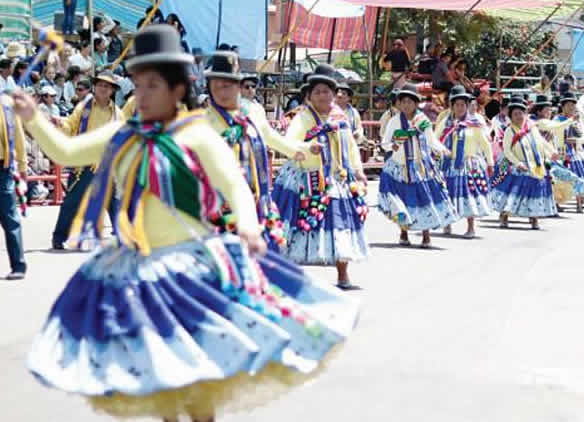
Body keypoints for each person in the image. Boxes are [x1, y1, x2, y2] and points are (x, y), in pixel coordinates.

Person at [18, 24, 357, 422]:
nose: (140, 95)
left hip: (191, 266)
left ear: (178, 89)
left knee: (197, 382)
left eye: (152, 86)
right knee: (163, 372)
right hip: (138, 270)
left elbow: (234, 184)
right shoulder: (123, 134)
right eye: (137, 85)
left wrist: (248, 224)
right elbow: (67, 151)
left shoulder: (196, 135)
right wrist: (33, 119)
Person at [272, 64, 369, 290]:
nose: (323, 95)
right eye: (317, 92)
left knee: (340, 223)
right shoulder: (303, 118)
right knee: (297, 226)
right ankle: (294, 274)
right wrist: (307, 148)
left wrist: (358, 170)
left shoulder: (340, 118)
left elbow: (351, 147)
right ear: (309, 96)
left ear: (334, 95)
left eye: (327, 91)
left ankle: (343, 274)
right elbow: (289, 142)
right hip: (305, 178)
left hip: (337, 178)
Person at [204, 50, 306, 252]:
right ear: (209, 87)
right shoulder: (203, 121)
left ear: (238, 87)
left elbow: (268, 136)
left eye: (229, 84)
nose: (223, 91)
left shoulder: (252, 112)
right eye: (218, 85)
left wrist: (294, 150)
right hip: (220, 203)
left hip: (257, 198)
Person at [378, 83, 457, 247]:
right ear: (399, 103)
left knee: (423, 200)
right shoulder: (394, 121)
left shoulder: (422, 121)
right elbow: (385, 141)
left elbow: (431, 140)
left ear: (416, 103)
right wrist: (391, 146)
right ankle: (404, 232)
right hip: (399, 168)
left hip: (419, 167)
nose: (406, 105)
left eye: (410, 101)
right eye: (403, 102)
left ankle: (426, 234)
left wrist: (443, 150)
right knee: (401, 202)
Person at [51, 71, 121, 250]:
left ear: (112, 90)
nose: (103, 89)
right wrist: (61, 124)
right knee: (72, 202)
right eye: (100, 85)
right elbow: (71, 125)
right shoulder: (84, 108)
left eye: (107, 86)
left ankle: (124, 238)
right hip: (84, 164)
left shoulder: (118, 114)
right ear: (95, 87)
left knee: (114, 203)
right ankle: (59, 237)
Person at [489, 96, 557, 229]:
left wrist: (551, 152)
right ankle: (504, 215)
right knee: (512, 193)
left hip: (534, 164)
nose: (519, 116)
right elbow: (507, 151)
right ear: (511, 116)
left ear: (525, 114)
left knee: (535, 192)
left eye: (521, 113)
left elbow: (541, 143)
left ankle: (534, 217)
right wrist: (517, 163)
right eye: (515, 114)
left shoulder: (532, 128)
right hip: (517, 166)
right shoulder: (510, 130)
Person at [435, 85, 494, 238]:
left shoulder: (475, 124)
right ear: (452, 106)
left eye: (463, 105)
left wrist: (490, 163)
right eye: (457, 105)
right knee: (448, 194)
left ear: (467, 106)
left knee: (469, 195)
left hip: (469, 164)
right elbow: (435, 140)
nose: (460, 108)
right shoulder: (445, 124)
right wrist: (441, 151)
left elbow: (485, 144)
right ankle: (447, 224)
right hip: (450, 164)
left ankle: (470, 227)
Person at [554, 92, 584, 212]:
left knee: (579, 176)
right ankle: (557, 202)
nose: (571, 108)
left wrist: (576, 140)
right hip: (561, 151)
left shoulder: (577, 120)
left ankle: (579, 202)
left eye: (573, 105)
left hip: (576, 152)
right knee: (560, 178)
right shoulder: (557, 119)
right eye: (568, 105)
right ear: (562, 106)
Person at [0, 94, 27, 279]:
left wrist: (23, 164)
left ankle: (18, 265)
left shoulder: (7, 105)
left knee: (10, 217)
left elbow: (18, 135)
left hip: (3, 167)